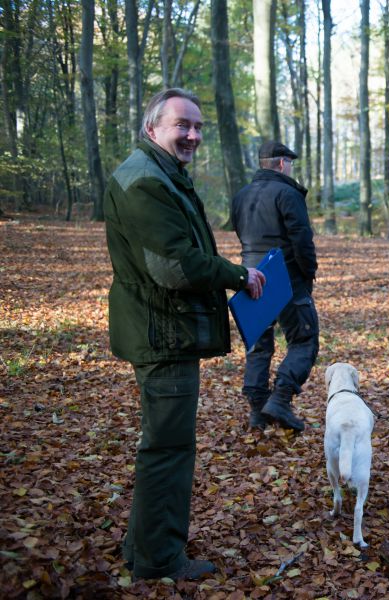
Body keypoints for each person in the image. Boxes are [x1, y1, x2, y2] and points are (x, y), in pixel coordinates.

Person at [104, 88, 265, 580]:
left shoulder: (160, 174)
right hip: (162, 332)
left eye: (197, 127)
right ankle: (159, 560)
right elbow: (174, 267)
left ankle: (142, 547)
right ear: (152, 129)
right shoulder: (145, 181)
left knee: (162, 445)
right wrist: (238, 276)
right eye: (182, 125)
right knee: (169, 449)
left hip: (164, 330)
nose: (192, 134)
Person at [231, 141, 318, 431]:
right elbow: (302, 239)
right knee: (304, 340)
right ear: (281, 163)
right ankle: (279, 399)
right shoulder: (288, 193)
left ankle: (258, 411)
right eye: (290, 162)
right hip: (285, 275)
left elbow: (240, 233)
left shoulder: (241, 195)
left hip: (249, 275)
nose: (291, 167)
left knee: (258, 344)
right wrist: (307, 275)